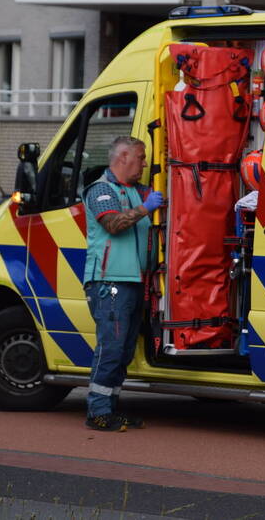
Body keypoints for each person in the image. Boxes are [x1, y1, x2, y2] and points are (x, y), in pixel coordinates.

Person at [82, 135, 163, 432]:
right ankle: (98, 411)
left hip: (133, 282)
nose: (144, 163)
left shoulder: (137, 190)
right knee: (111, 347)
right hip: (109, 282)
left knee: (124, 350)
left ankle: (110, 409)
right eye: (141, 158)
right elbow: (113, 224)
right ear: (123, 156)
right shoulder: (101, 190)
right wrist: (145, 209)